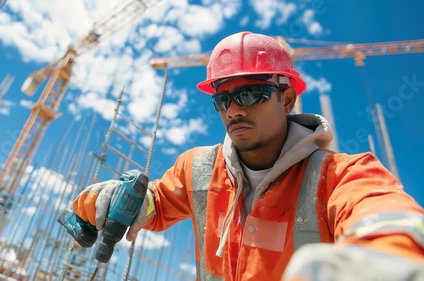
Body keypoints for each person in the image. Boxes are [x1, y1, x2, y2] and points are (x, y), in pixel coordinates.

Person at [73, 32, 424, 280]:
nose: (233, 111)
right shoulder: (196, 169)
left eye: (250, 94)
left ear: (286, 99)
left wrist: (386, 255)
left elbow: (385, 216)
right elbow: (156, 205)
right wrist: (112, 201)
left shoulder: (342, 176)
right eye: (223, 100)